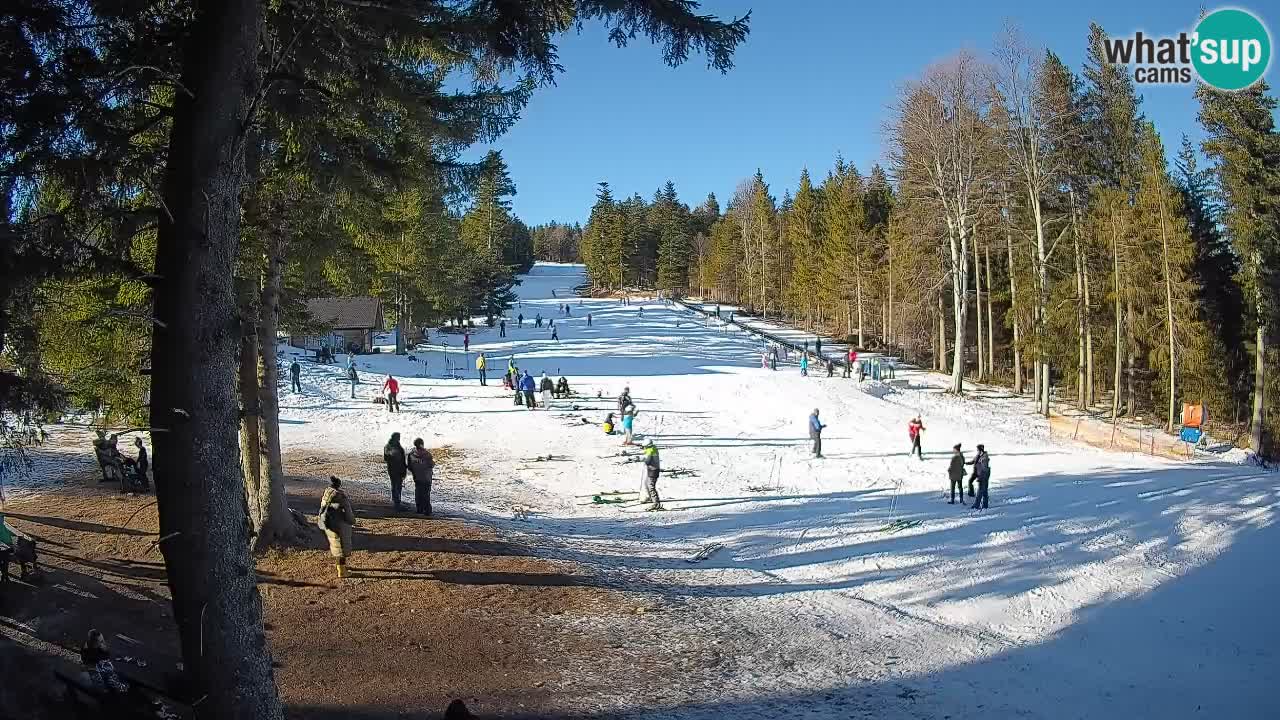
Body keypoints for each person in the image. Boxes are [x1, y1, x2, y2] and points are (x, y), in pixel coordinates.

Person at [318, 476, 356, 578]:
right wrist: (352, 521)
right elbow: (348, 513)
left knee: (336, 546)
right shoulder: (341, 497)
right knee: (342, 548)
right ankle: (342, 572)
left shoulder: (327, 493)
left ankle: (341, 567)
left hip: (328, 524)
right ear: (338, 485)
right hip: (340, 525)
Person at [408, 438, 435, 515]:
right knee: (426, 494)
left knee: (418, 493)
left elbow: (409, 467)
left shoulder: (411, 454)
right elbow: (431, 465)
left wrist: (415, 471)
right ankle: (427, 510)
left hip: (417, 477)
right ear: (422, 444)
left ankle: (419, 509)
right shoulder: (427, 454)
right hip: (427, 477)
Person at [384, 432, 408, 511]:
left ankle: (397, 501)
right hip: (394, 469)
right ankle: (396, 502)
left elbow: (402, 459)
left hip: (397, 469)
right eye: (398, 437)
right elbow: (386, 458)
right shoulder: (389, 446)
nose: (399, 438)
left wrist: (404, 469)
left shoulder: (395, 446)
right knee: (395, 485)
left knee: (398, 485)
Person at [642, 439, 663, 510]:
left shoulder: (650, 451)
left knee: (651, 486)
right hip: (652, 469)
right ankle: (650, 497)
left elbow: (647, 461)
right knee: (646, 483)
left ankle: (656, 502)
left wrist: (643, 460)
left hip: (653, 470)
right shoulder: (653, 448)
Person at [969, 444, 991, 510]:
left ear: (981, 450)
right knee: (984, 491)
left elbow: (984, 469)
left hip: (983, 476)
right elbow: (973, 461)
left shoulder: (984, 458)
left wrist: (980, 476)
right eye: (977, 450)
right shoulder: (978, 456)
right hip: (980, 475)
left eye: (978, 450)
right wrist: (965, 463)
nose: (977, 451)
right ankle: (985, 505)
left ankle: (977, 505)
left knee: (980, 491)